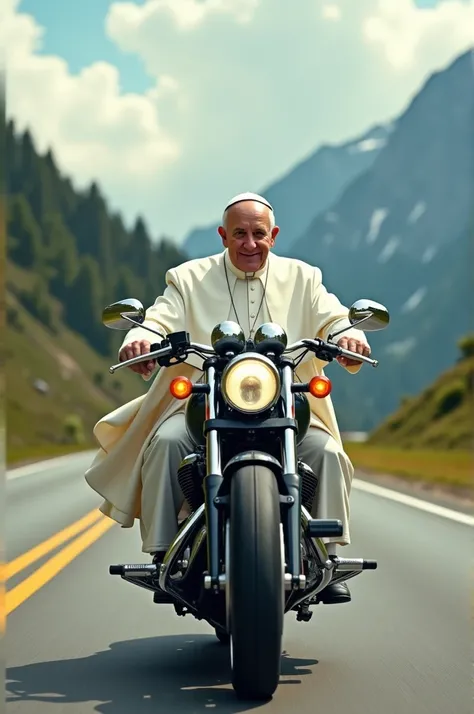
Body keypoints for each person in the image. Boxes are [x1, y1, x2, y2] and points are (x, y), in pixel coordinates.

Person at [84, 192, 371, 604]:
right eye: (239, 233)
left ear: (273, 235)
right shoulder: (187, 278)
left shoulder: (304, 277)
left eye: (258, 234)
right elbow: (160, 316)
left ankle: (328, 557)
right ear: (223, 235)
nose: (249, 243)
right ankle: (166, 555)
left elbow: (333, 314)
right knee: (164, 443)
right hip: (201, 405)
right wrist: (140, 337)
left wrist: (349, 333)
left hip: (285, 405)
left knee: (325, 451)